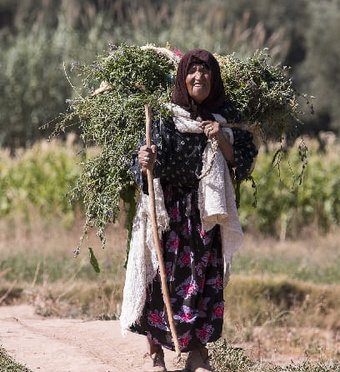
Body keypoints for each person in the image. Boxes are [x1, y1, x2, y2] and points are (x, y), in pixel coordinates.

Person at [119, 49, 258, 372]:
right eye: (193, 71)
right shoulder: (166, 118)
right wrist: (145, 162)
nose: (200, 77)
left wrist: (221, 138)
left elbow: (244, 162)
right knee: (158, 277)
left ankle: (197, 353)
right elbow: (140, 166)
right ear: (183, 77)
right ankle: (155, 353)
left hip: (205, 215)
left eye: (206, 71)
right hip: (168, 214)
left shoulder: (227, 117)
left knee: (202, 281)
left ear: (215, 78)